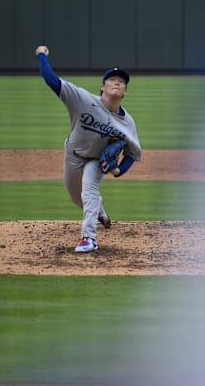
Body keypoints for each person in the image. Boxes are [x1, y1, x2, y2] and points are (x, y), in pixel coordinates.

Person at [35, 45, 142, 253]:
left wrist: (119, 171)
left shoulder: (128, 123)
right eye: (112, 80)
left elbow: (132, 154)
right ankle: (99, 211)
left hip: (97, 160)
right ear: (102, 87)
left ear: (125, 91)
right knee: (77, 198)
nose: (117, 83)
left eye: (121, 82)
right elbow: (52, 81)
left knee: (89, 189)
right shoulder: (82, 99)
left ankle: (88, 238)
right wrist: (41, 56)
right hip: (73, 155)